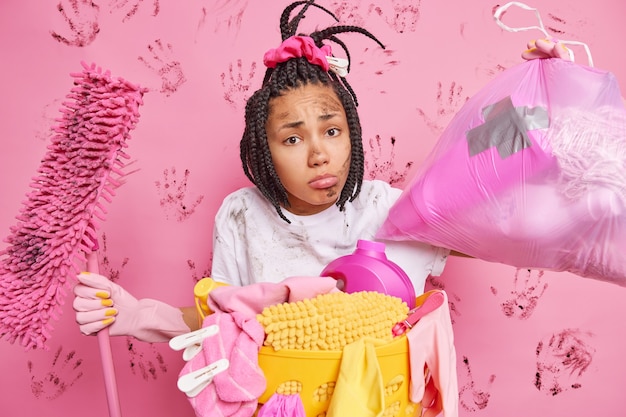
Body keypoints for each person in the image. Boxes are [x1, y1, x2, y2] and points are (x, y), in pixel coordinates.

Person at [73, 1, 573, 343]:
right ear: (261, 151)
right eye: (292, 138)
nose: (319, 154)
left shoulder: (390, 209)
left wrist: (547, 98)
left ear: (352, 132)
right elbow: (222, 323)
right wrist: (139, 315)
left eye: (331, 131)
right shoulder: (243, 216)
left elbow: (498, 207)